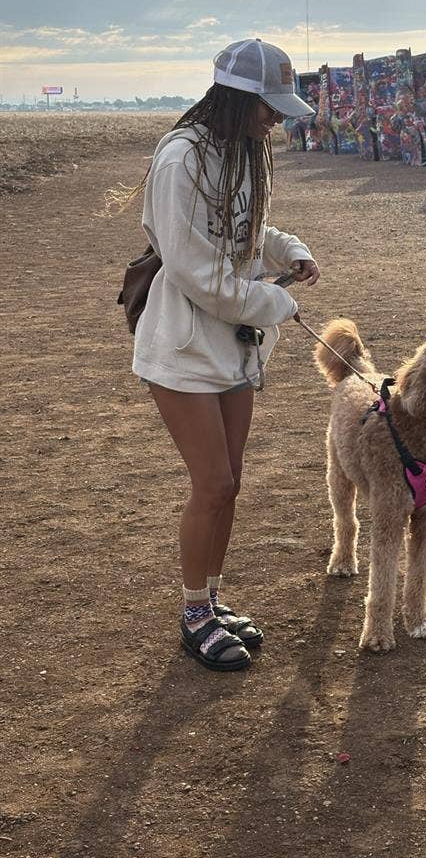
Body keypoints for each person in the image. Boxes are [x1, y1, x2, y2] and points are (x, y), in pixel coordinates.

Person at [128, 39, 319, 672]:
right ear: (237, 98)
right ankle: (193, 616)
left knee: (230, 484)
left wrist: (286, 250)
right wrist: (271, 302)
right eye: (270, 108)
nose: (277, 121)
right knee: (211, 483)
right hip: (183, 342)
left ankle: (210, 600)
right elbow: (193, 269)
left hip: (234, 342)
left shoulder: (242, 148)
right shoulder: (180, 157)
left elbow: (246, 229)